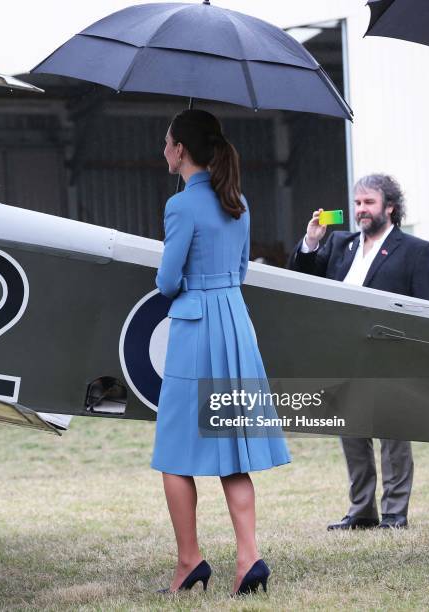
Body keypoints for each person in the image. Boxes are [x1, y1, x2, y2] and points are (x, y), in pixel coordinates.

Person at [151, 109, 290, 596]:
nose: (164, 150)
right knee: (233, 452)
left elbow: (167, 281)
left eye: (167, 142)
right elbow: (241, 273)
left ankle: (189, 561)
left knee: (173, 453)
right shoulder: (239, 200)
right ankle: (249, 557)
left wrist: (187, 283)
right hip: (235, 322)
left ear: (181, 150)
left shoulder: (181, 206)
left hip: (196, 329)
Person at [289, 173, 429, 530]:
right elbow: (303, 279)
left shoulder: (416, 250)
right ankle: (361, 511)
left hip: (392, 357)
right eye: (357, 203)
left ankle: (394, 514)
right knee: (352, 436)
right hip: (344, 355)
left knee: (393, 438)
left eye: (369, 203)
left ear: (390, 207)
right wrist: (311, 242)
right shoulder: (340, 243)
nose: (361, 210)